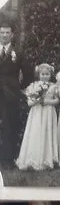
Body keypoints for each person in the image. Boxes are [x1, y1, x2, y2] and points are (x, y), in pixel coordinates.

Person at [0, 21, 32, 168]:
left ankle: (8, 159)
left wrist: (21, 89)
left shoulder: (18, 52)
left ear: (12, 35)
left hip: (10, 94)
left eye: (7, 33)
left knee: (9, 125)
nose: (4, 35)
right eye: (2, 32)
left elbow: (28, 73)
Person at [16, 63, 59, 170]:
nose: (45, 76)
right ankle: (34, 159)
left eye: (47, 74)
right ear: (38, 75)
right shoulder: (33, 86)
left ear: (51, 75)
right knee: (36, 133)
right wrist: (37, 100)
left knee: (47, 132)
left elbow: (57, 101)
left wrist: (47, 101)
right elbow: (29, 103)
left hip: (49, 112)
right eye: (43, 74)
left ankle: (48, 159)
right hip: (37, 113)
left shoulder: (54, 86)